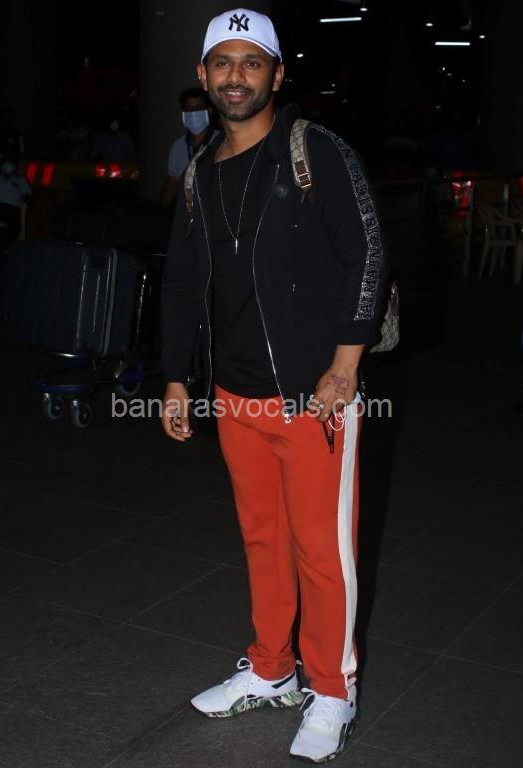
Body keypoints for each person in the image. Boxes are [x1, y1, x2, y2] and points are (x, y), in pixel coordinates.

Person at [160, 8, 387, 764]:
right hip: (235, 396)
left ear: (277, 75)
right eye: (222, 62)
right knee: (263, 539)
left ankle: (332, 689)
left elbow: (367, 253)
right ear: (203, 75)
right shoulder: (199, 172)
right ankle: (271, 668)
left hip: (314, 395)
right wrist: (176, 378)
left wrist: (345, 366)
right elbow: (182, 284)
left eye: (251, 62)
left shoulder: (312, 151)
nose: (236, 76)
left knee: (323, 552)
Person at [157, 88, 218, 209]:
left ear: (209, 111)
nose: (193, 113)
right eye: (189, 109)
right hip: (187, 213)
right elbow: (172, 183)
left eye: (198, 108)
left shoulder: (222, 141)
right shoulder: (178, 146)